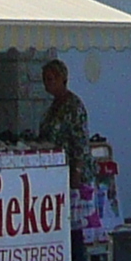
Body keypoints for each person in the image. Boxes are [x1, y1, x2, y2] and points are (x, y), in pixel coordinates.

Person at [37, 59, 93, 195]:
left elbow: (81, 142)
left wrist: (77, 174)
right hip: (56, 169)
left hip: (72, 171)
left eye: (50, 79)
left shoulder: (73, 106)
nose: (46, 84)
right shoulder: (55, 105)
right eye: (44, 80)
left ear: (62, 79)